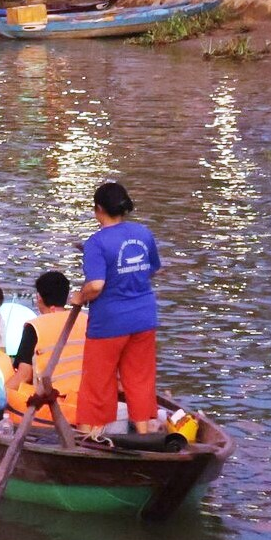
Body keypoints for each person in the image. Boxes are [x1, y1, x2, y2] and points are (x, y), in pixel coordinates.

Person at [71, 182, 161, 435]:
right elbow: (153, 268)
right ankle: (145, 435)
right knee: (140, 379)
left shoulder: (96, 243)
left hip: (109, 323)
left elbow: (97, 285)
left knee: (98, 382)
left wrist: (80, 296)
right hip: (144, 317)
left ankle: (91, 436)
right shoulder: (143, 233)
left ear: (98, 209)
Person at [5, 270, 87, 425]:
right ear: (67, 296)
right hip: (86, 405)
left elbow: (24, 374)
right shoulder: (86, 320)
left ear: (39, 298)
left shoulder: (35, 326)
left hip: (53, 407)